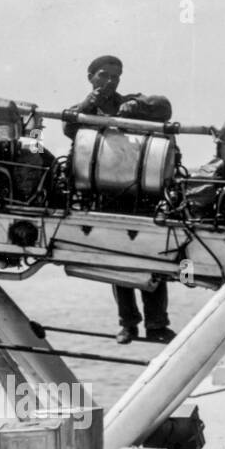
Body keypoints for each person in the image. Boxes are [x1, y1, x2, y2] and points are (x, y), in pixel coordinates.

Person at [66, 54, 175, 344]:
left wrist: (137, 106)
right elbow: (69, 128)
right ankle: (128, 324)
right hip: (106, 195)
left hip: (142, 194)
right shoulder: (82, 109)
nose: (111, 81)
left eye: (116, 76)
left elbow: (164, 106)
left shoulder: (132, 102)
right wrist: (90, 103)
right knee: (117, 263)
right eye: (104, 75)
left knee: (153, 260)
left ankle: (157, 325)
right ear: (90, 77)